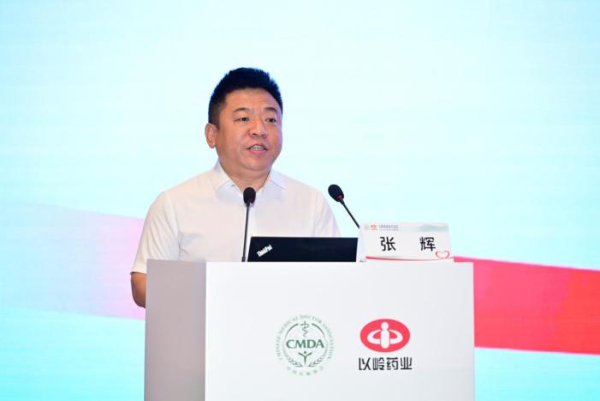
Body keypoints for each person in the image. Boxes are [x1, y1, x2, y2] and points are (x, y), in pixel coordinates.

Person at [131, 68, 340, 307]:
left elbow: (337, 282)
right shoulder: (175, 203)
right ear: (212, 135)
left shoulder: (311, 203)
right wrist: (218, 291)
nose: (259, 129)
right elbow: (142, 286)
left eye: (271, 120)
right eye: (243, 119)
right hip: (205, 330)